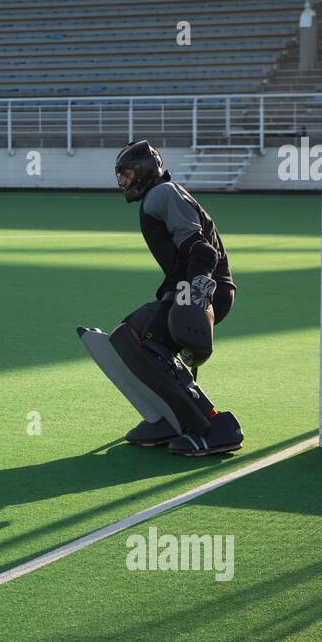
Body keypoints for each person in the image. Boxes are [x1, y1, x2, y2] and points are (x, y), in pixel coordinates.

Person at [85, 140, 242, 456]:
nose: (122, 182)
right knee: (126, 337)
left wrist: (197, 298)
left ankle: (213, 427)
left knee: (150, 346)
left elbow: (201, 250)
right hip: (189, 287)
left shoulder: (162, 194)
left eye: (127, 173)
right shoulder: (162, 194)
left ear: (144, 169)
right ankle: (169, 419)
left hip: (203, 287)